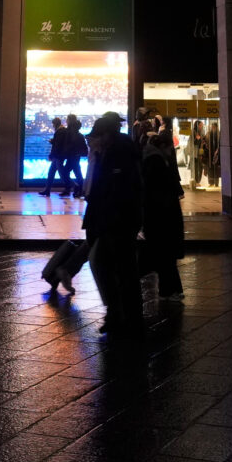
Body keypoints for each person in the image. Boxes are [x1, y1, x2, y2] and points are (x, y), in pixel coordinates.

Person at [85, 112, 146, 329]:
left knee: (118, 267)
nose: (93, 141)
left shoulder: (118, 152)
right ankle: (123, 314)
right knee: (116, 266)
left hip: (117, 221)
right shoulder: (112, 150)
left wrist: (107, 220)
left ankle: (124, 315)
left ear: (106, 134)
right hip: (114, 220)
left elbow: (114, 189)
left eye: (96, 136)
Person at [141, 127, 186, 300]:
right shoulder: (157, 161)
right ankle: (171, 290)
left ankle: (171, 290)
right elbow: (159, 191)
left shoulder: (154, 159)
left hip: (157, 216)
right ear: (165, 146)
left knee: (161, 255)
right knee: (164, 255)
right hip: (161, 216)